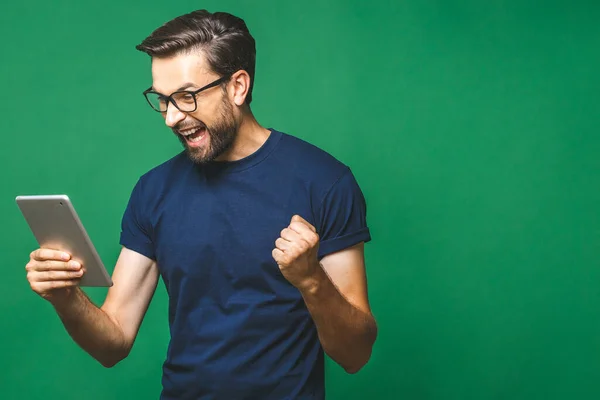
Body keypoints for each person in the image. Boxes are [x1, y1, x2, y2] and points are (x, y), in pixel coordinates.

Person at [24, 9, 377, 400]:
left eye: (187, 97)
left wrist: (311, 280)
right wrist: (65, 296)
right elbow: (114, 341)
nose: (172, 118)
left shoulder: (325, 181)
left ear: (238, 87)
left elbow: (355, 355)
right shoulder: (153, 190)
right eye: (163, 100)